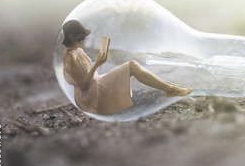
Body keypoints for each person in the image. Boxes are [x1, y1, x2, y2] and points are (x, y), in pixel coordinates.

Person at [62, 20, 193, 115]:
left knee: (132, 65)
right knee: (132, 66)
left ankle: (172, 88)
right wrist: (97, 64)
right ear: (73, 37)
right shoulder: (70, 57)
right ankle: (171, 89)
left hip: (96, 84)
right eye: (81, 37)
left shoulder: (78, 50)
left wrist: (99, 61)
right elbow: (84, 86)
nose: (84, 40)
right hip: (89, 97)